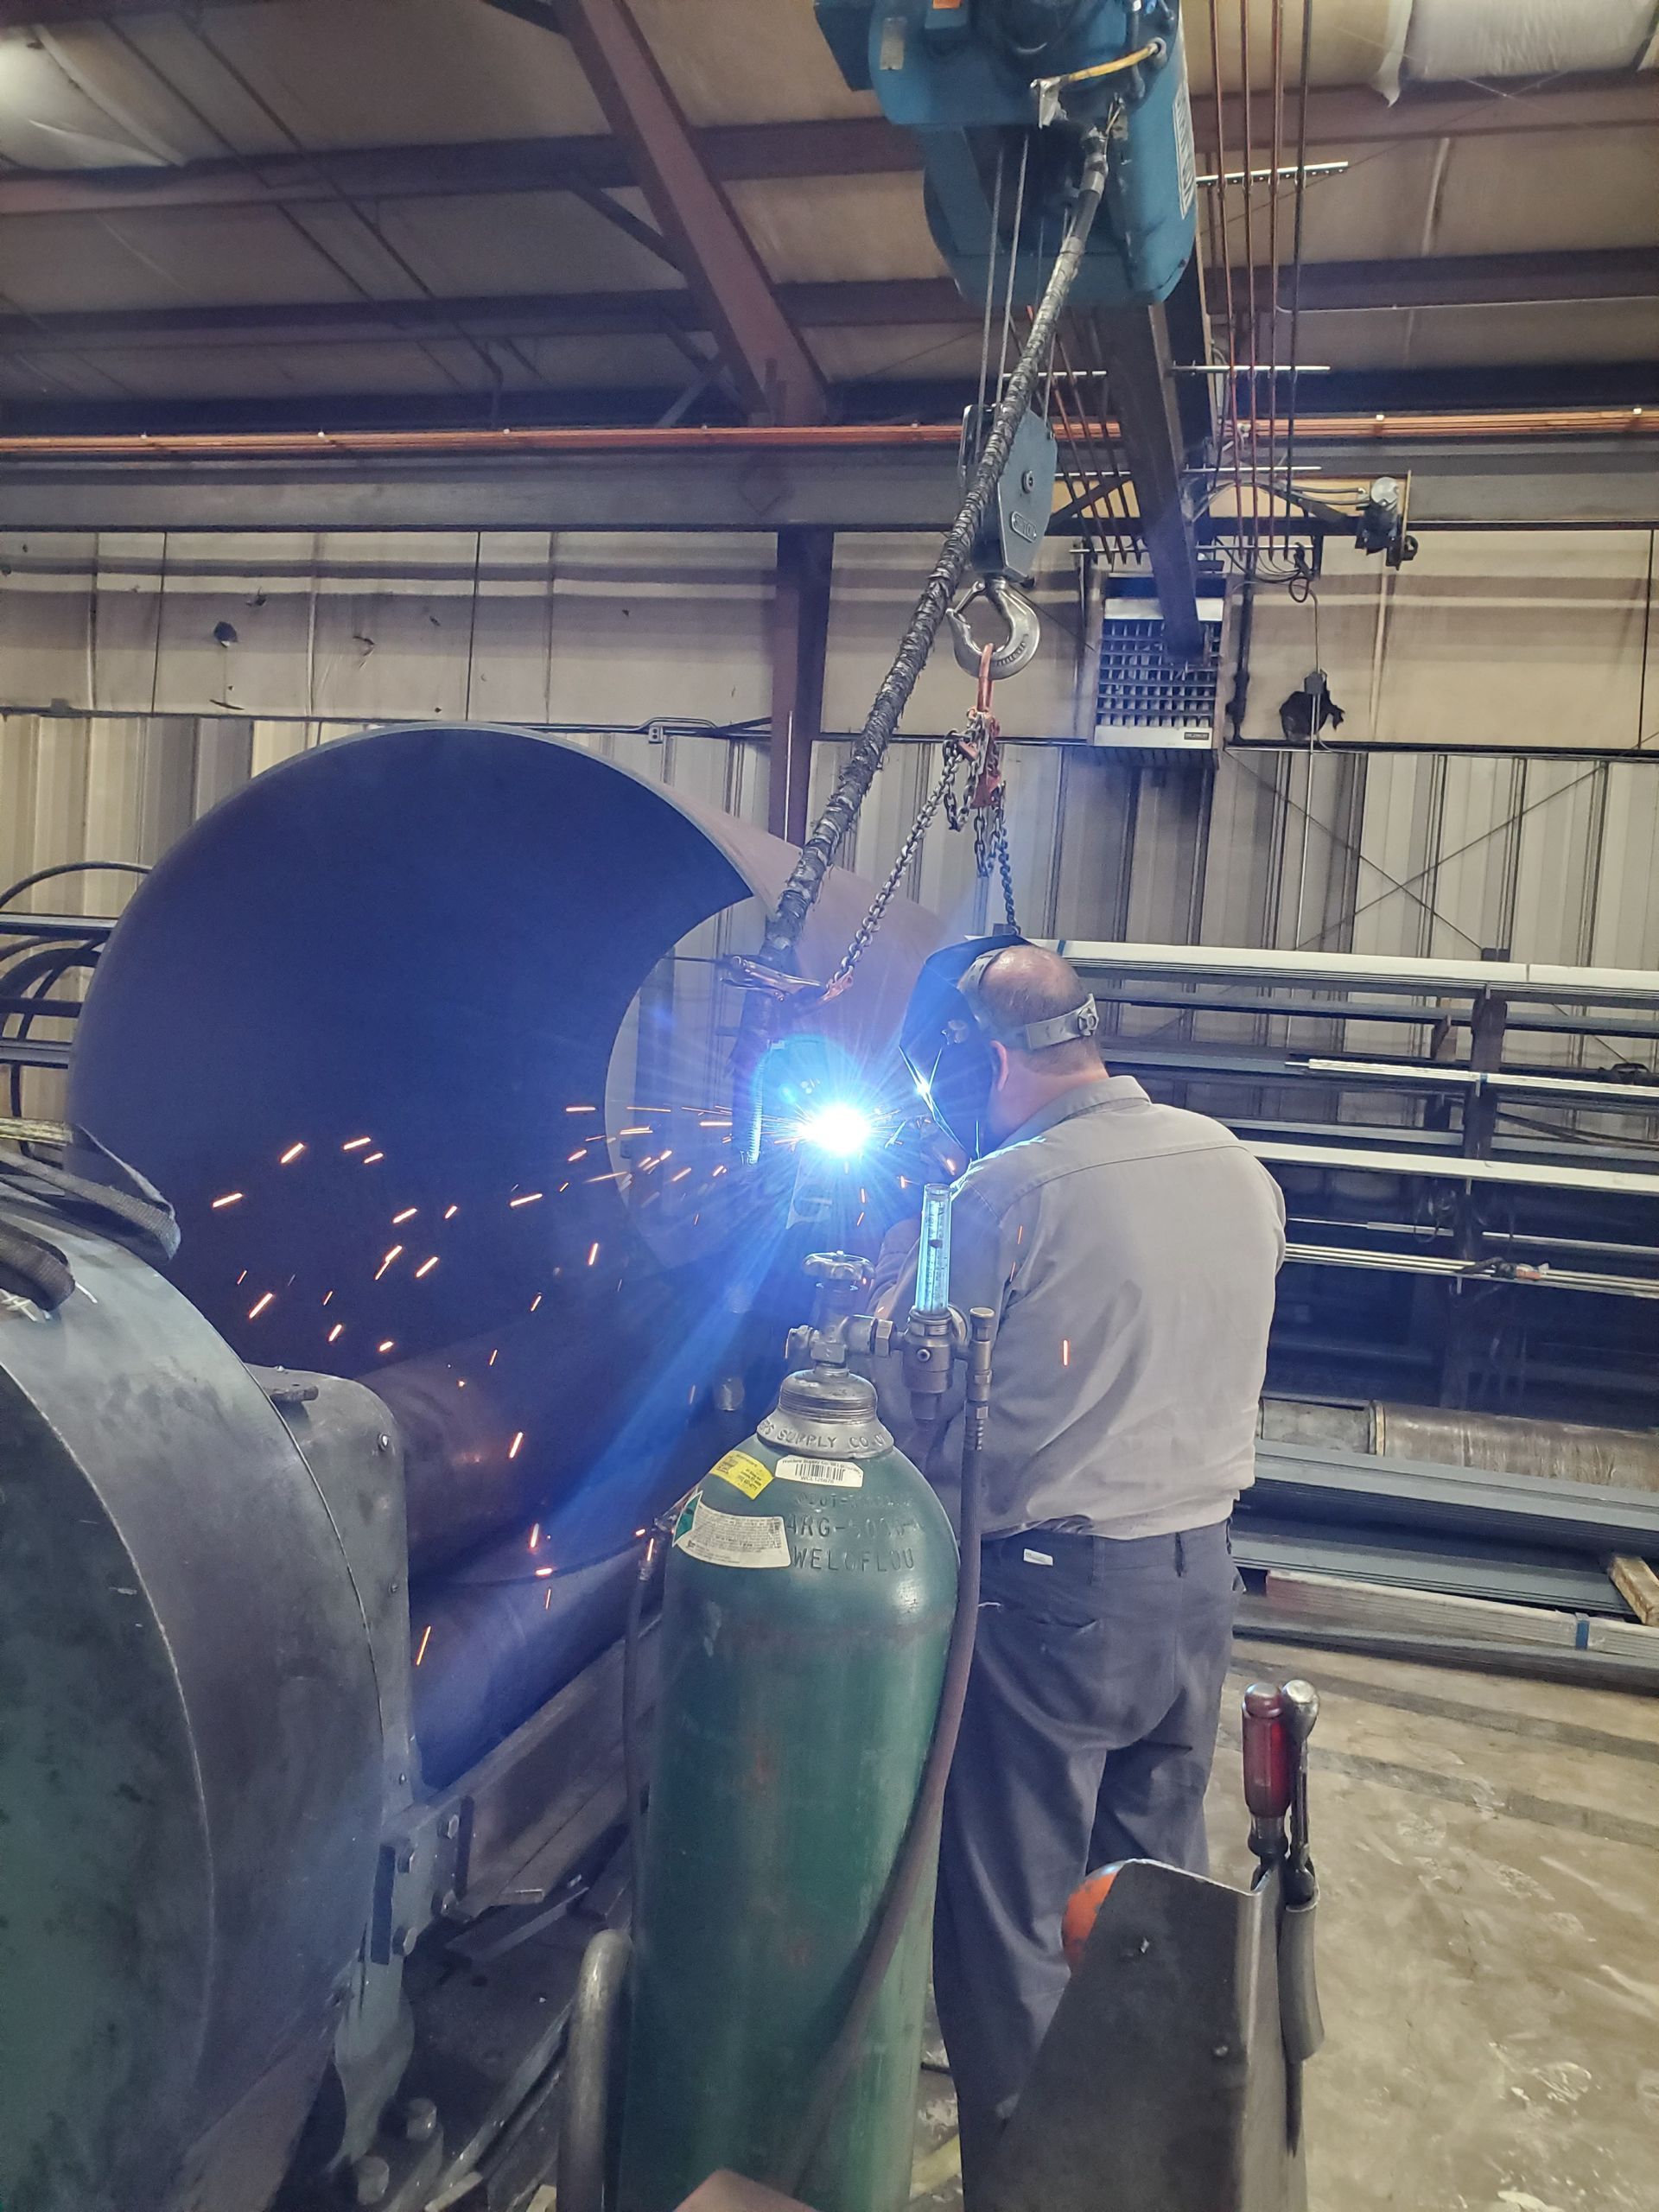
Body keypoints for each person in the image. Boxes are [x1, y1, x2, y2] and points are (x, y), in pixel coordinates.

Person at [878, 941, 1285, 2204]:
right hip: (1197, 1587)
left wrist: (882, 1285)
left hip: (1055, 1603)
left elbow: (913, 1401)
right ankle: (1147, 2171)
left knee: (1008, 1928)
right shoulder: (1239, 1167)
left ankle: (1029, 2189)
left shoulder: (1001, 1196)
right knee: (1145, 1913)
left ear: (988, 1062)